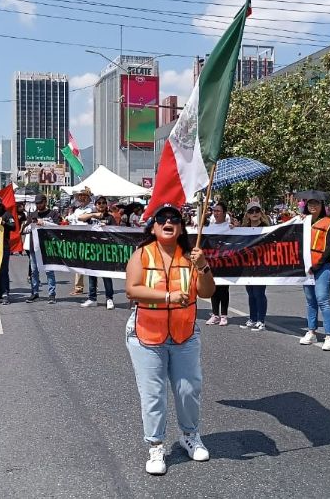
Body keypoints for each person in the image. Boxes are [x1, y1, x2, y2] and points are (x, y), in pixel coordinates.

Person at [124, 203, 216, 475]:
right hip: (146, 336)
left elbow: (208, 292)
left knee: (188, 390)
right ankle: (156, 445)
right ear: (153, 227)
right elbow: (132, 290)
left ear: (180, 227)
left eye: (174, 219)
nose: (168, 222)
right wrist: (167, 297)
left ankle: (189, 435)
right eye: (161, 219)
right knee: (153, 394)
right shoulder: (142, 254)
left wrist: (203, 266)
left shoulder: (191, 256)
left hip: (184, 334)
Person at [300, 198, 330, 350]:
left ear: (322, 206)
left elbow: (329, 247)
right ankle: (311, 332)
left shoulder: (329, 223)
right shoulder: (303, 222)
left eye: (316, 204)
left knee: (323, 300)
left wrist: (316, 265)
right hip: (306, 268)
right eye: (310, 204)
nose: (313, 206)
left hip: (322, 267)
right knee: (310, 301)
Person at [79, 195, 116, 310]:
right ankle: (92, 298)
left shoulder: (110, 218)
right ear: (95, 205)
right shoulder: (91, 216)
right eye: (99, 203)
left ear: (106, 205)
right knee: (92, 275)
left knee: (106, 275)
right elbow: (80, 218)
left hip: (105, 250)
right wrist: (94, 215)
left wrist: (107, 228)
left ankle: (109, 298)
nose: (101, 205)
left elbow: (116, 232)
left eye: (103, 203)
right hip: (92, 249)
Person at [25, 194, 60, 304]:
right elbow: (24, 229)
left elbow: (57, 227)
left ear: (45, 202)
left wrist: (43, 223)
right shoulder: (32, 214)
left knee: (49, 270)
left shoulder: (53, 213)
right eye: (37, 203)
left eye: (40, 202)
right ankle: (35, 293)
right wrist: (30, 225)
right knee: (34, 271)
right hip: (34, 246)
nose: (38, 205)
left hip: (48, 246)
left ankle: (52, 294)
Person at [240, 201, 270, 332]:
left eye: (257, 211)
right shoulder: (243, 229)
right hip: (248, 266)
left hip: (261, 266)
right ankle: (252, 318)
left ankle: (261, 320)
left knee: (259, 293)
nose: (254, 214)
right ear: (247, 214)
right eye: (251, 211)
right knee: (251, 293)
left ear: (261, 213)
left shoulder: (267, 228)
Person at [204, 202, 232, 326]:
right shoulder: (209, 227)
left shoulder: (229, 226)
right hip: (212, 263)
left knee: (224, 289)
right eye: (214, 211)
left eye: (218, 211)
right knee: (213, 289)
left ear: (224, 213)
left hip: (226, 263)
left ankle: (224, 315)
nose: (216, 213)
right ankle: (215, 315)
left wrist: (236, 227)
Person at [68, 188, 93, 296]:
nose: (81, 198)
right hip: (77, 238)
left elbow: (80, 218)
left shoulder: (91, 209)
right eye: (80, 196)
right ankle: (79, 287)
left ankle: (93, 285)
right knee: (79, 263)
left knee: (91, 263)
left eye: (84, 196)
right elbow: (70, 219)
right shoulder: (77, 209)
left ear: (88, 197)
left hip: (88, 239)